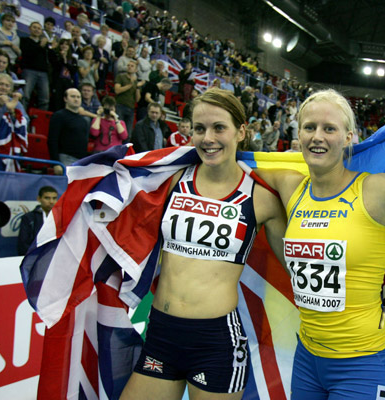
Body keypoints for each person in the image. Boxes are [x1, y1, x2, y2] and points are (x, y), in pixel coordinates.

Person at [254, 86, 385, 399]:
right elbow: (234, 169)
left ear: (348, 137)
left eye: (329, 129)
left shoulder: (377, 191)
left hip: (363, 365)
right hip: (307, 361)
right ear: (297, 134)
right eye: (309, 127)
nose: (317, 137)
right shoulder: (290, 187)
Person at [119, 88, 287, 400]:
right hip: (161, 334)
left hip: (217, 342)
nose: (208, 138)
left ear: (241, 132)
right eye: (199, 128)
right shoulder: (171, 180)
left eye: (219, 128)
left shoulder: (262, 197)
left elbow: (295, 265)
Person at [47, 88, 90, 174]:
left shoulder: (84, 120)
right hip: (65, 159)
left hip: (81, 161)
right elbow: (52, 140)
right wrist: (56, 163)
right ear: (65, 99)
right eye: (73, 96)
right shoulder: (59, 116)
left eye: (78, 97)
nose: (76, 99)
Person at [17, 186, 58, 255]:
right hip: (34, 256)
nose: (51, 201)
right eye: (47, 198)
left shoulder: (60, 217)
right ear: (39, 199)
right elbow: (23, 243)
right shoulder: (29, 218)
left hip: (55, 255)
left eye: (54, 198)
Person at [114, 59, 142, 139]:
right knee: (118, 131)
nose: (129, 67)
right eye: (128, 65)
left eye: (132, 66)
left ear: (136, 70)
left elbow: (137, 99)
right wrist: (130, 84)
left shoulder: (136, 81)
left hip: (131, 108)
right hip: (120, 106)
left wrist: (137, 87)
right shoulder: (120, 76)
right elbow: (117, 90)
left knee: (128, 134)